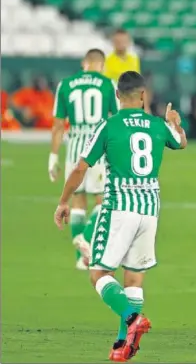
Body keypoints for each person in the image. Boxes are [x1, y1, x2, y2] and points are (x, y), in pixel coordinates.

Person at [53, 71, 187, 361]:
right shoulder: (157, 125)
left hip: (118, 208)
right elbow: (180, 142)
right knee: (134, 279)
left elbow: (80, 167)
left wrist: (64, 200)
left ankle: (130, 318)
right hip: (150, 210)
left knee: (98, 273)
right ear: (143, 96)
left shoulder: (109, 125)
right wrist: (174, 122)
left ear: (117, 96)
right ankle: (123, 345)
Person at [49, 49, 119, 270]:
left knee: (78, 201)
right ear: (101, 64)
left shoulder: (66, 84)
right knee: (103, 200)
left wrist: (53, 155)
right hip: (98, 147)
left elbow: (59, 124)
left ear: (84, 63)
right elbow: (116, 120)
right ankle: (85, 241)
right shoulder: (108, 84)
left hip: (74, 148)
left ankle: (81, 258)